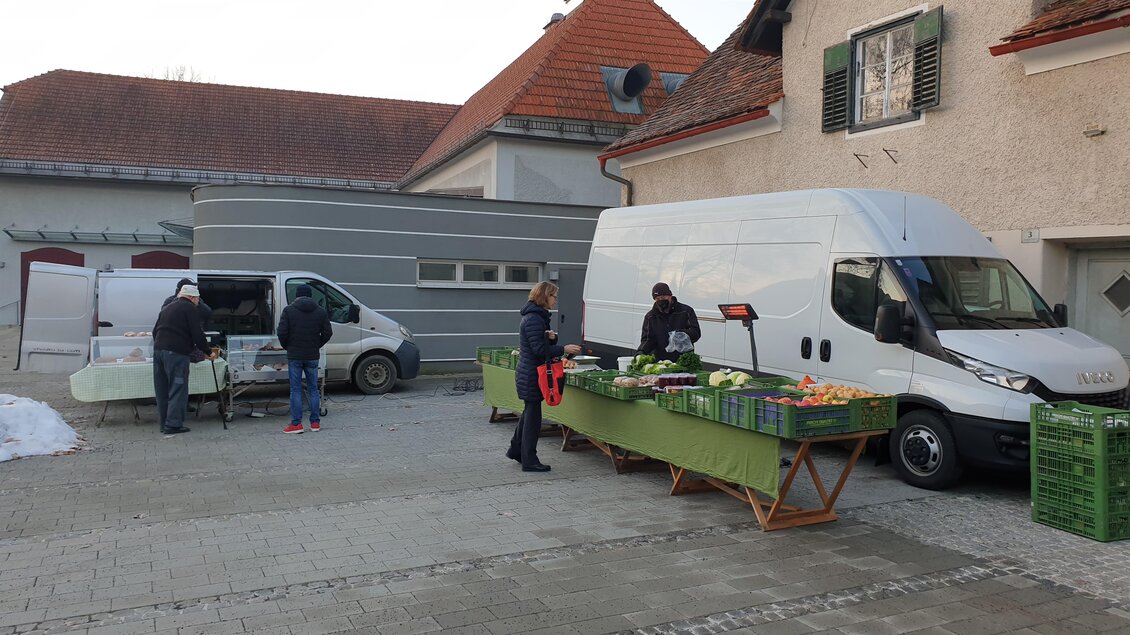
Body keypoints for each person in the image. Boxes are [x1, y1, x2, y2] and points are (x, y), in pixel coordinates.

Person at [508, 282, 581, 472]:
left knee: (528, 414)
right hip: (532, 373)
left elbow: (541, 343)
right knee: (533, 419)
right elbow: (539, 350)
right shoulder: (534, 319)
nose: (556, 300)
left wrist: (550, 338)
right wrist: (562, 348)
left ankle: (516, 450)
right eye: (554, 296)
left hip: (531, 371)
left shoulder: (536, 317)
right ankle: (529, 460)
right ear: (544, 296)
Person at [152, 284, 213, 434]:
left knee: (162, 389)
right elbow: (197, 333)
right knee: (177, 388)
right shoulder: (190, 309)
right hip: (176, 353)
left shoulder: (167, 308)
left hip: (158, 351)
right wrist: (207, 351)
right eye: (198, 299)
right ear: (193, 297)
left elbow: (155, 331)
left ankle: (163, 423)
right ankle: (173, 425)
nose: (198, 301)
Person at [277, 284, 333, 434]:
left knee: (295, 389)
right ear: (310, 296)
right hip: (312, 355)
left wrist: (287, 346)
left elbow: (281, 332)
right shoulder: (320, 312)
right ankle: (315, 423)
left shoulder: (289, 310)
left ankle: (296, 424)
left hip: (295, 355)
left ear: (297, 296)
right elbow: (328, 332)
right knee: (313, 389)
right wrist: (317, 344)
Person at [637, 282, 701, 363]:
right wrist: (641, 351)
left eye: (663, 297)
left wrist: (681, 334)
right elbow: (648, 339)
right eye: (657, 299)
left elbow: (696, 333)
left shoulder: (686, 311)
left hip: (683, 360)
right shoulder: (651, 316)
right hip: (660, 362)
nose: (661, 300)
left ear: (670, 296)